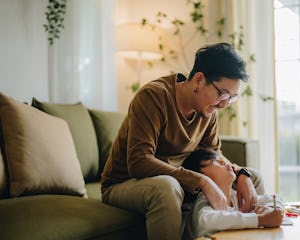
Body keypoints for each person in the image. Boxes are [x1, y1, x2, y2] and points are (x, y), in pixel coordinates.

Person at [101, 42, 264, 240]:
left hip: (175, 179)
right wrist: (200, 181)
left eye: (230, 98)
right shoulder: (153, 97)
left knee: (253, 178)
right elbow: (139, 161)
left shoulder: (208, 110)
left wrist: (242, 174)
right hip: (125, 183)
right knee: (166, 187)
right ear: (198, 80)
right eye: (222, 94)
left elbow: (213, 155)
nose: (223, 105)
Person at [182, 149, 284, 239]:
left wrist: (270, 208)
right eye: (214, 161)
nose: (223, 161)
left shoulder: (236, 196)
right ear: (201, 176)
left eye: (221, 159)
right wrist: (260, 219)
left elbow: (274, 198)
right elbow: (207, 221)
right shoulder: (205, 200)